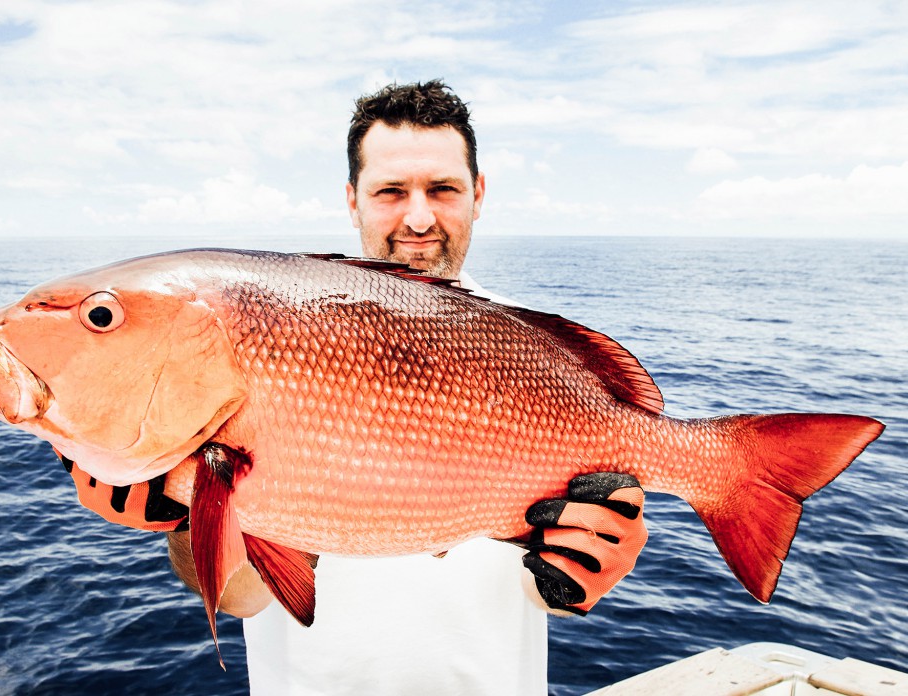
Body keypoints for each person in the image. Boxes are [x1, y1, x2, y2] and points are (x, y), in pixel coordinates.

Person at [68, 80, 648, 695]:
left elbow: (550, 601)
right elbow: (241, 598)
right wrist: (185, 520)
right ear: (353, 200)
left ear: (478, 195)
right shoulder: (276, 328)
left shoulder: (539, 352)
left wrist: (591, 566)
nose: (418, 217)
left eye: (443, 189)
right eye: (391, 191)